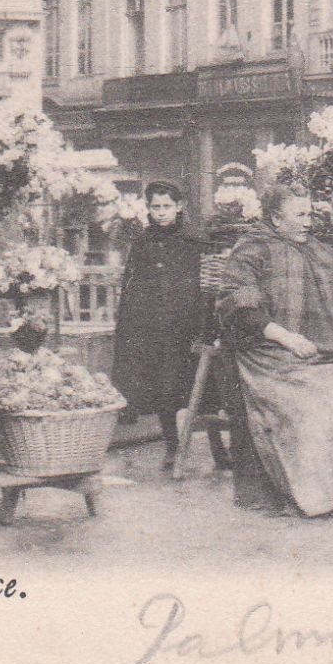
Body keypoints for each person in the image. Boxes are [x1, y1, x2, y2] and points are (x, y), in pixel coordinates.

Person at [216, 185, 333, 516]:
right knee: (317, 397)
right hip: (267, 353)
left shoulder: (319, 249)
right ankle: (319, 496)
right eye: (300, 215)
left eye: (310, 215)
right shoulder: (253, 247)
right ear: (276, 217)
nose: (308, 223)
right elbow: (238, 302)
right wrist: (285, 337)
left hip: (319, 350)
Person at [110, 182, 225, 472]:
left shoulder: (195, 242)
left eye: (166, 207)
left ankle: (218, 449)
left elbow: (207, 288)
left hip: (190, 326)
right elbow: (132, 286)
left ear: (179, 207)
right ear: (148, 209)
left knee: (203, 388)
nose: (161, 213)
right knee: (165, 390)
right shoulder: (143, 243)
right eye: (155, 207)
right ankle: (173, 447)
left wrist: (205, 326)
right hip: (154, 330)